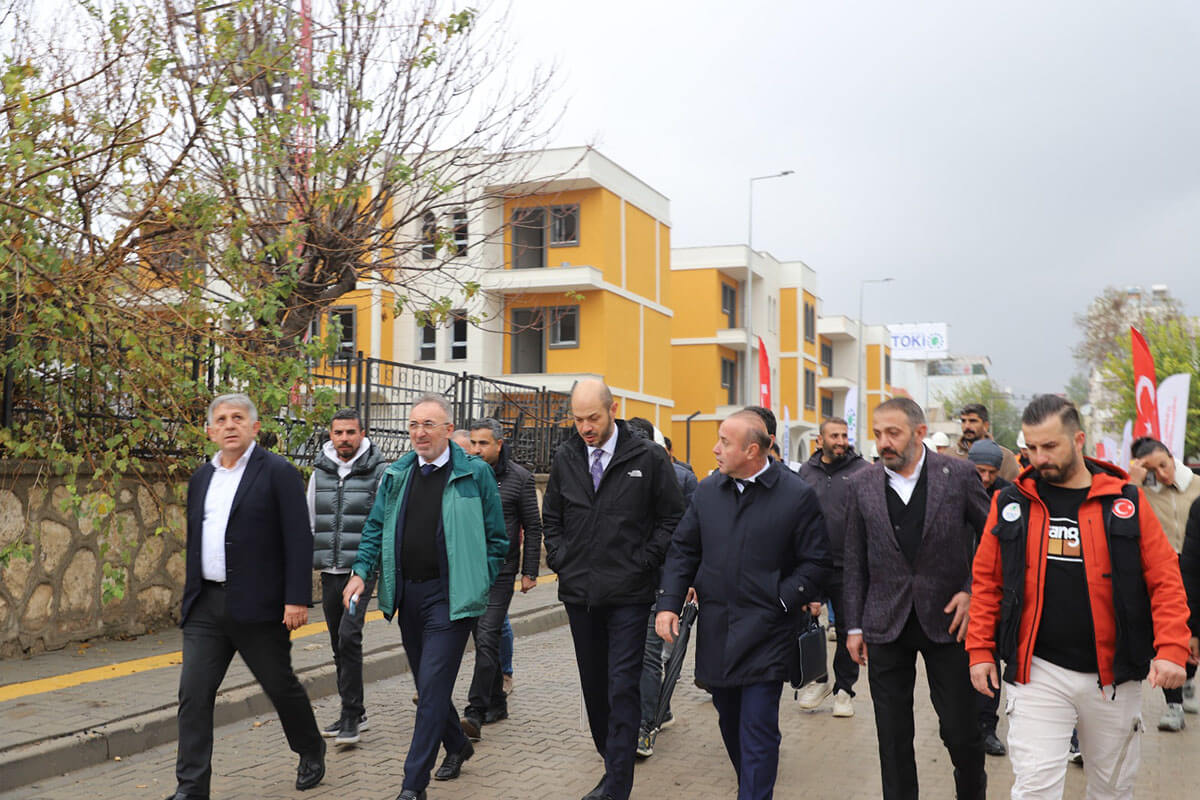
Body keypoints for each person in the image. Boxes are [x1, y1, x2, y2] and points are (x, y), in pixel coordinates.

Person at [968, 395, 1190, 799]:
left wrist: (1173, 647)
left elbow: (1164, 580)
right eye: (1031, 447)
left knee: (1112, 789)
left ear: (1078, 439)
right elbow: (986, 581)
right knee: (1034, 788)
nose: (1039, 457)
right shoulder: (1011, 503)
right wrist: (980, 649)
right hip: (1036, 673)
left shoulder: (1126, 502)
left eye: (1050, 446)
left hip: (1113, 675)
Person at [657, 409, 831, 799]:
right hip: (717, 630)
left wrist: (782, 601)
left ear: (753, 450)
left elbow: (817, 561)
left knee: (758, 729)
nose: (715, 449)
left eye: (724, 442)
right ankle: (750, 784)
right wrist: (668, 603)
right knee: (731, 722)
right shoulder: (707, 491)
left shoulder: (796, 495)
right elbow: (684, 549)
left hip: (767, 633)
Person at [342, 394, 507, 800]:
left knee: (430, 691)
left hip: (450, 598)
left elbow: (497, 540)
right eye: (414, 425)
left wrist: (477, 580)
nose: (419, 433)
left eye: (428, 425)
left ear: (448, 430)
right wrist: (362, 571)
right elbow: (376, 527)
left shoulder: (473, 474)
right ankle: (458, 744)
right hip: (408, 596)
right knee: (429, 685)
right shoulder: (397, 473)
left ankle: (412, 786)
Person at [170, 393, 326, 800]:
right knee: (193, 694)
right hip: (206, 605)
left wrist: (296, 599)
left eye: (238, 417)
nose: (229, 425)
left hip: (259, 606)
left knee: (279, 685)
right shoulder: (202, 477)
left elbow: (298, 537)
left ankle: (310, 748)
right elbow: (197, 539)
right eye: (221, 419)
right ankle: (191, 788)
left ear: (255, 427)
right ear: (210, 431)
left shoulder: (277, 472)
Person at [542, 379, 685, 800]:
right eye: (578, 418)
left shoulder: (648, 457)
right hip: (580, 595)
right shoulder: (567, 455)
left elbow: (673, 519)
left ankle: (618, 785)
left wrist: (643, 561)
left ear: (613, 409)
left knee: (622, 686)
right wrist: (561, 558)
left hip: (629, 595)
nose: (585, 427)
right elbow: (552, 517)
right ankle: (612, 763)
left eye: (594, 418)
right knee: (595, 687)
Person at [843, 397, 989, 800]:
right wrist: (853, 625)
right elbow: (854, 558)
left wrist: (973, 591)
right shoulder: (861, 484)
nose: (883, 442)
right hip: (884, 622)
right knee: (892, 736)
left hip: (948, 621)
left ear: (920, 433)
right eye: (877, 434)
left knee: (960, 731)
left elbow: (994, 538)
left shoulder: (957, 476)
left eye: (894, 433)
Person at [308, 408, 390, 746]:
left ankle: (351, 716)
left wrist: (372, 566)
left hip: (362, 569)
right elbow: (309, 517)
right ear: (331, 434)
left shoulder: (380, 471)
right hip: (329, 568)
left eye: (350, 432)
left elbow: (384, 519)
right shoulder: (320, 471)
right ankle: (355, 711)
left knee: (348, 636)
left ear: (362, 433)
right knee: (336, 641)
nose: (344, 438)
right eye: (338, 432)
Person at [459, 417, 542, 739]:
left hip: (501, 572)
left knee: (487, 636)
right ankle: (497, 702)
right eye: (474, 443)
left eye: (483, 444)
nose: (477, 450)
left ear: (499, 444)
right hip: (467, 572)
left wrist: (530, 571)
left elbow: (533, 527)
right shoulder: (464, 474)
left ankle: (475, 711)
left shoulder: (519, 478)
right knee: (484, 639)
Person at [626, 417, 694, 759]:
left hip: (665, 581)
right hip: (627, 584)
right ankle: (657, 711)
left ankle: (644, 727)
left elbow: (691, 535)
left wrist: (689, 581)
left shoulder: (681, 478)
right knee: (637, 656)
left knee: (650, 655)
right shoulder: (615, 475)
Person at [796, 416, 870, 717]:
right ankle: (819, 679)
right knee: (807, 626)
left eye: (844, 435)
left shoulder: (863, 471)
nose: (841, 441)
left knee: (847, 628)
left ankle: (844, 690)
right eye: (834, 436)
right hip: (812, 563)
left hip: (849, 566)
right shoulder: (805, 472)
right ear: (820, 440)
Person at [1125, 436, 1200, 731]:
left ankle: (1189, 679)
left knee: (1193, 630)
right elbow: (1125, 516)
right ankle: (1174, 705)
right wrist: (1135, 481)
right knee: (1171, 633)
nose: (1163, 474)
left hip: (1195, 567)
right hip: (1164, 570)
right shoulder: (1141, 493)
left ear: (1172, 457)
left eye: (1164, 465)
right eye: (1154, 469)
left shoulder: (1195, 486)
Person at [965, 438, 1011, 757]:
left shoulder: (1010, 497)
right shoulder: (954, 490)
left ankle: (987, 726)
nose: (983, 478)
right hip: (958, 595)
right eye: (978, 471)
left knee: (990, 660)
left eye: (990, 472)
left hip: (996, 593)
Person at [954, 403, 1020, 481]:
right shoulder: (950, 455)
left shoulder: (1005, 457)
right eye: (963, 421)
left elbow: (1014, 490)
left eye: (973, 421)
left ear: (986, 425)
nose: (967, 426)